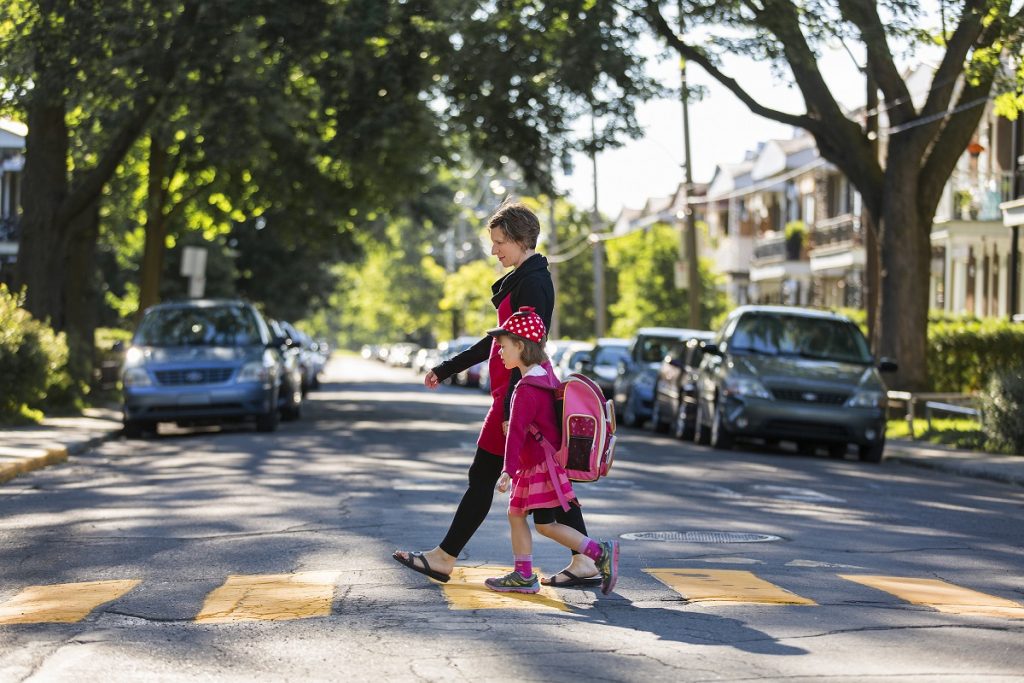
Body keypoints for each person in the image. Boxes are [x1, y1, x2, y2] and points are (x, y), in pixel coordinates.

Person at [393, 201, 600, 587]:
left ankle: (444, 558)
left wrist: (510, 408)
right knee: (552, 478)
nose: (494, 250)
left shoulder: (533, 282)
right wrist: (447, 367)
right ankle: (584, 559)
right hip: (514, 394)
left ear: (522, 240)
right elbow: (496, 342)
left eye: (500, 242)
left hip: (518, 394)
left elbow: (525, 348)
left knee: (484, 476)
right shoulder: (524, 277)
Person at [483, 307, 619, 595]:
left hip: (537, 467)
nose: (499, 353)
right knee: (522, 516)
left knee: (543, 524)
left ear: (520, 346)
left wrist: (507, 470)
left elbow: (516, 434)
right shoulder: (545, 376)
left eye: (504, 347)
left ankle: (598, 551)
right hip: (541, 463)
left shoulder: (525, 390)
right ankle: (525, 573)